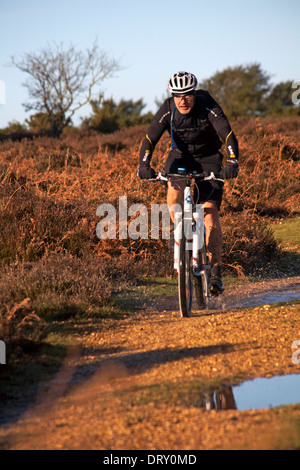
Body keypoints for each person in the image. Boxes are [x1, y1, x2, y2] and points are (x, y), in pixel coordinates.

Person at [138, 71, 239, 295]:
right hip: (179, 157)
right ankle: (180, 233)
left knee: (210, 212)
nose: (183, 100)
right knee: (173, 192)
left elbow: (228, 134)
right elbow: (149, 139)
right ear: (172, 96)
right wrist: (144, 165)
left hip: (209, 159)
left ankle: (215, 271)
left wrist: (232, 161)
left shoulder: (207, 105)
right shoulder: (167, 109)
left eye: (187, 95)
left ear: (194, 94)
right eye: (178, 95)